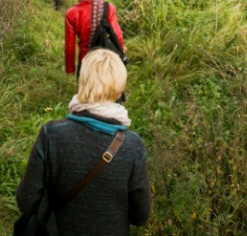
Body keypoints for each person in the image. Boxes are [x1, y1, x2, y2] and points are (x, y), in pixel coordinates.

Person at [16, 49, 152, 235]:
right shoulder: (133, 147)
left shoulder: (52, 135)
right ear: (120, 87)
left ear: (83, 82)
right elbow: (141, 216)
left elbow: (27, 202)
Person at [64, 0, 123, 76]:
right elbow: (117, 35)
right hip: (107, 60)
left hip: (86, 61)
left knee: (87, 92)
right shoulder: (108, 8)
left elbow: (70, 45)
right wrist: (121, 52)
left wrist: (70, 68)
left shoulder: (71, 13)